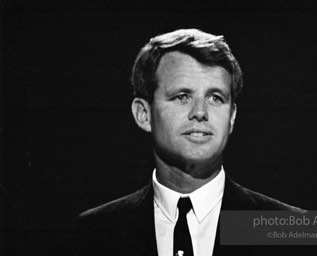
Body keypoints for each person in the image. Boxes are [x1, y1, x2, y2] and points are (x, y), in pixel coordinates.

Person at [76, 28, 305, 256]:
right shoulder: (95, 233)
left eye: (215, 98)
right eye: (182, 96)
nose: (200, 112)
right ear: (144, 114)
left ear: (232, 117)